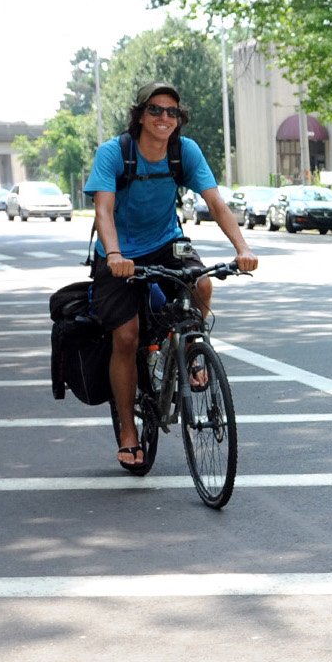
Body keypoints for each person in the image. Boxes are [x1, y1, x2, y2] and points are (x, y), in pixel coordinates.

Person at [84, 81, 258, 469]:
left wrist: (242, 248)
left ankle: (190, 352)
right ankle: (129, 430)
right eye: (156, 110)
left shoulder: (185, 151)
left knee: (202, 283)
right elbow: (104, 211)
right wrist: (114, 254)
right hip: (119, 253)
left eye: (172, 112)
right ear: (141, 115)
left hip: (166, 241)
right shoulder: (115, 153)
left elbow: (215, 201)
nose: (165, 118)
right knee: (126, 337)